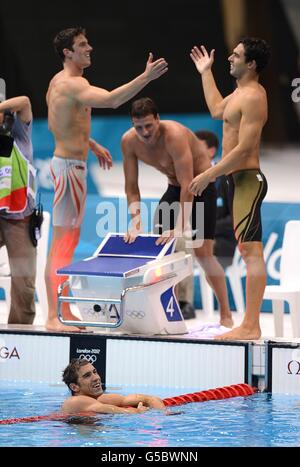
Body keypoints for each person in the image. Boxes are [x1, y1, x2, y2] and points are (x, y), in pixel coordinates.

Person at [45, 27, 168, 332]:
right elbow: (113, 100)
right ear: (67, 53)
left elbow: (58, 124)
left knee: (68, 243)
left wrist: (90, 143)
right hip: (68, 170)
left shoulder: (62, 83)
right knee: (62, 244)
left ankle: (65, 310)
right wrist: (146, 78)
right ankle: (51, 316)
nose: (90, 48)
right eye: (82, 45)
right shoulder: (71, 84)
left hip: (72, 165)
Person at [121, 97, 233, 328]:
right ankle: (165, 310)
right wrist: (135, 222)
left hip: (201, 186)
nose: (144, 132)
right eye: (138, 126)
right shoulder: (129, 142)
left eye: (149, 125)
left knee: (204, 253)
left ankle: (226, 313)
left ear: (158, 120)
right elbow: (132, 186)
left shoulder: (174, 135)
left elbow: (188, 184)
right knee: (161, 250)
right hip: (175, 187)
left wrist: (179, 228)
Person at [189, 37, 271, 340]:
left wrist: (210, 173)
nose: (230, 59)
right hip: (234, 180)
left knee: (252, 253)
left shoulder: (253, 97)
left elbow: (245, 147)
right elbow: (215, 110)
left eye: (236, 56)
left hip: (248, 179)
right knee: (248, 251)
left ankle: (251, 326)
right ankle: (248, 324)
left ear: (251, 63)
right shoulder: (239, 94)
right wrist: (205, 72)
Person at [0, 95, 37, 325]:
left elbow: (24, 101)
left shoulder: (19, 134)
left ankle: (19, 335)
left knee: (24, 285)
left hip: (19, 219)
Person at [62, 358, 166, 414]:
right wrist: (137, 411)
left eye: (95, 372)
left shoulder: (103, 399)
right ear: (74, 387)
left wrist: (165, 413)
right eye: (87, 376)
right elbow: (112, 410)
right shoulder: (74, 402)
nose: (96, 377)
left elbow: (149, 399)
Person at [195, 130, 236, 269]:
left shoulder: (227, 177)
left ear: (211, 151)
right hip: (194, 236)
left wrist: (203, 230)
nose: (191, 151)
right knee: (172, 249)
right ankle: (178, 291)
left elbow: (235, 219)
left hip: (220, 240)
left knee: (197, 247)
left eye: (196, 147)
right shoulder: (186, 175)